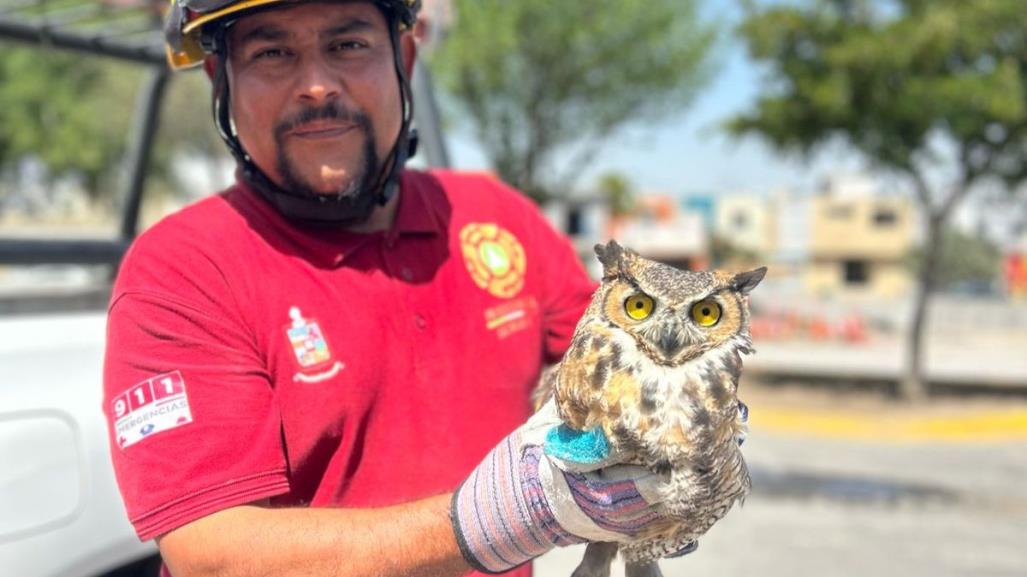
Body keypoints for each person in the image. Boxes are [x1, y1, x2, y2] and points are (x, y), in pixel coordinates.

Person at [103, 2, 681, 576]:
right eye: (272, 53)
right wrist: (505, 515)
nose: (316, 85)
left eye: (348, 45)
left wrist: (679, 415)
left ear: (404, 58)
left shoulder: (496, 220)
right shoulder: (182, 270)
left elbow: (630, 364)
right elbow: (213, 558)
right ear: (220, 79)